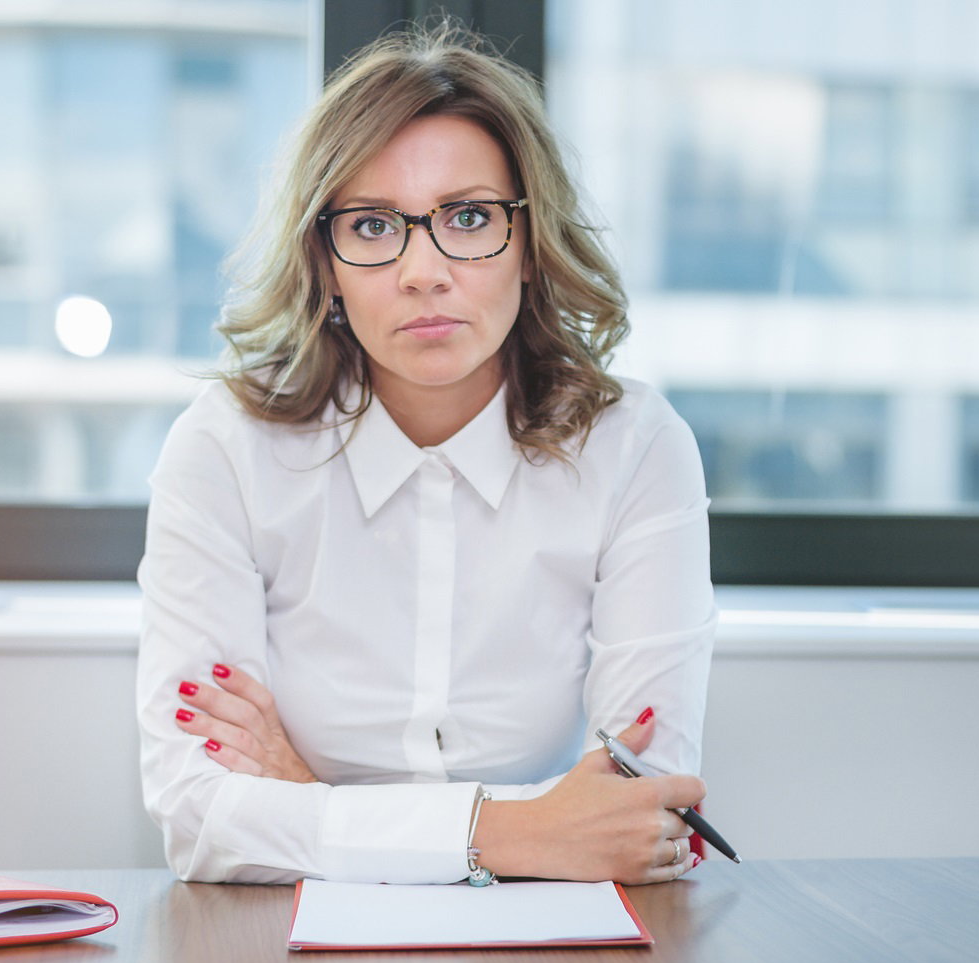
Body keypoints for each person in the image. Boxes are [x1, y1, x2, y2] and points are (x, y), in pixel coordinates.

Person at [136, 22, 715, 886]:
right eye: (372, 226)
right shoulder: (224, 447)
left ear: (530, 242)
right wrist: (516, 832)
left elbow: (640, 812)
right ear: (325, 262)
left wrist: (307, 799)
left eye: (470, 217)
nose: (422, 269)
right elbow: (194, 818)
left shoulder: (635, 447)